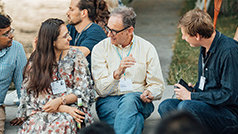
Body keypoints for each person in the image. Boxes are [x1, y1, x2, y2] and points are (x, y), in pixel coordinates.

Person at [158, 9, 238, 134]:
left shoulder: (229, 51)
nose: (183, 38)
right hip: (209, 106)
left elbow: (229, 94)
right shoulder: (204, 48)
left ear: (197, 35)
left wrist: (192, 96)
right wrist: (195, 90)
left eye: (184, 35)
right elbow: (210, 84)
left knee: (187, 107)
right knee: (166, 106)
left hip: (229, 114)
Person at [10, 18, 95, 133]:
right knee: (36, 125)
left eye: (68, 34)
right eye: (65, 36)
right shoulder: (36, 62)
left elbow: (84, 91)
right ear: (53, 42)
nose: (70, 38)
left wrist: (61, 101)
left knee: (63, 123)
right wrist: (62, 107)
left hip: (74, 107)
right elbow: (33, 98)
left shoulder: (76, 57)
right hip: (42, 110)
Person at [91, 6, 165, 134]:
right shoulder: (99, 49)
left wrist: (150, 92)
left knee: (129, 100)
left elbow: (157, 85)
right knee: (135, 120)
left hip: (138, 99)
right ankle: (137, 119)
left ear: (129, 30)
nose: (109, 34)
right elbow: (101, 90)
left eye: (113, 31)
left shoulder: (147, 48)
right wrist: (117, 73)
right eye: (107, 28)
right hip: (109, 100)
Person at [0, 14, 27, 134]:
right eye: (5, 34)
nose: (11, 36)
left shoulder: (16, 49)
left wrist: (23, 112)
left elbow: (22, 83)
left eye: (10, 31)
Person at [66, 0, 109, 70]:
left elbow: (81, 53)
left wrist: (58, 48)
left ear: (84, 13)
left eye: (71, 9)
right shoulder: (70, 28)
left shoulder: (96, 31)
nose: (67, 13)